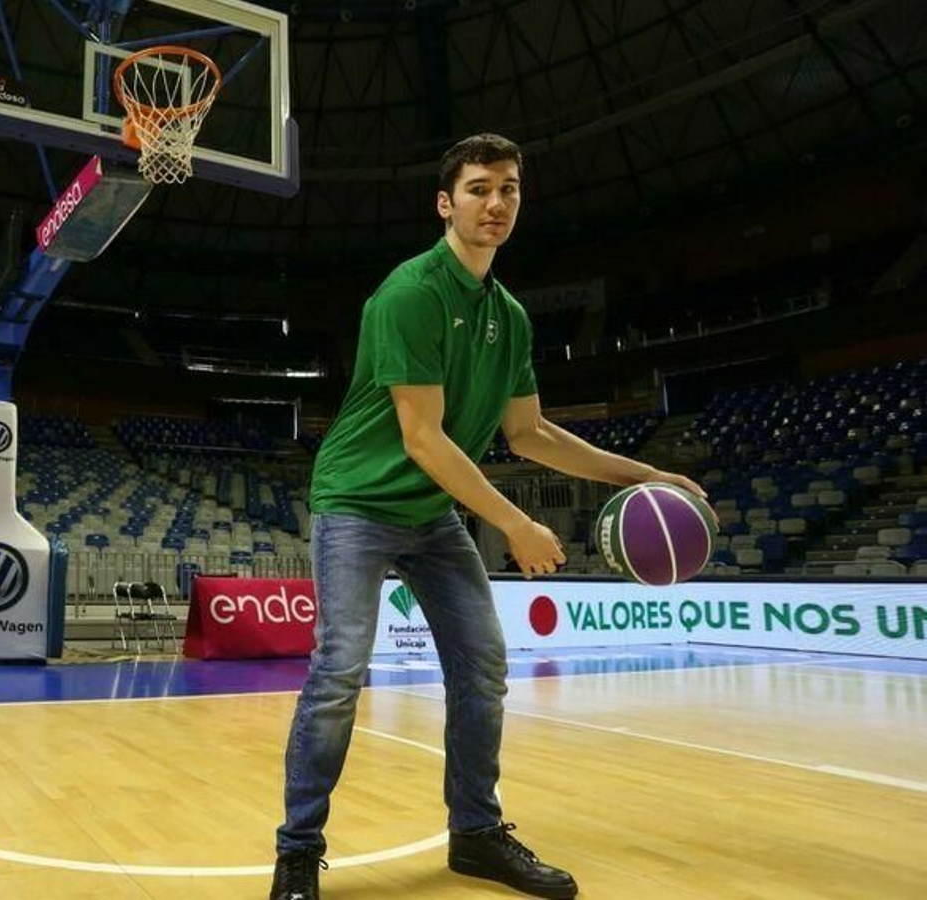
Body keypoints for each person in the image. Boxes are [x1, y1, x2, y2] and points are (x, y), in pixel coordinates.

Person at [268, 133, 708, 900]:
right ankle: (298, 852)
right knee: (339, 671)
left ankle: (475, 834)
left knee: (482, 666)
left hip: (431, 512)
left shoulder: (510, 317)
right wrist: (514, 522)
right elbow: (423, 437)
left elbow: (530, 433)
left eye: (508, 189)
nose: (496, 202)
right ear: (446, 203)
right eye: (479, 188)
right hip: (358, 502)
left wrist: (645, 474)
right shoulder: (410, 293)